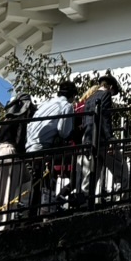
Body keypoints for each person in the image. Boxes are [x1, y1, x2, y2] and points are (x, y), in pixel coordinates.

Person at [25, 81, 77, 209]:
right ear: (72, 95)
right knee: (40, 182)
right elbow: (64, 131)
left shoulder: (45, 104)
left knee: (35, 182)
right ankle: (37, 214)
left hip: (30, 145)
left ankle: (35, 212)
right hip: (43, 147)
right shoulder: (66, 106)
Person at [0, 96, 34, 223]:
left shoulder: (5, 120)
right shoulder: (21, 119)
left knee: (0, 195)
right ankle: (2, 227)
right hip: (10, 152)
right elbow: (19, 142)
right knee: (8, 195)